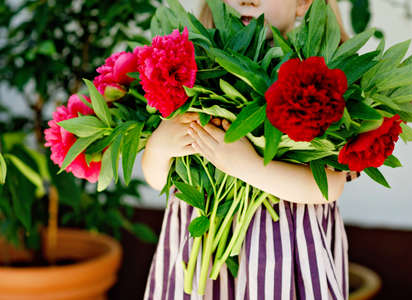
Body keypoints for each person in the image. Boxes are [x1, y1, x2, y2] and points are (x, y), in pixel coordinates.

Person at [141, 0, 359, 299]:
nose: (247, 0)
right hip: (198, 248)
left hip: (283, 257)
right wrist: (159, 146)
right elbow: (159, 180)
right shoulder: (196, 69)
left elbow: (329, 187)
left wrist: (248, 167)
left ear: (303, 3)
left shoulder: (323, 80)